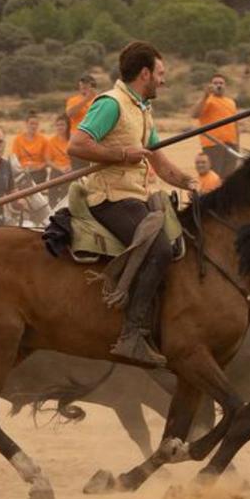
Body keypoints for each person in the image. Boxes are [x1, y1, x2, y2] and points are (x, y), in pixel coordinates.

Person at [67, 41, 198, 366]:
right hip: (109, 198)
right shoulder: (111, 104)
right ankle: (132, 334)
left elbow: (160, 163)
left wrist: (189, 182)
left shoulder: (142, 109)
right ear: (145, 74)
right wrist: (121, 154)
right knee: (160, 249)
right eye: (161, 73)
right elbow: (77, 144)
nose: (164, 81)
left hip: (137, 196)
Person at [191, 72, 239, 177]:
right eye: (215, 83)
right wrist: (205, 96)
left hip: (231, 145)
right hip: (213, 145)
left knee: (229, 178)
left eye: (221, 83)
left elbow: (235, 124)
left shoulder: (231, 102)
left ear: (225, 86)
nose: (219, 85)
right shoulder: (207, 100)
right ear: (211, 85)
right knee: (214, 177)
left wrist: (237, 145)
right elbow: (194, 114)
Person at [11, 111, 49, 184]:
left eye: (36, 124)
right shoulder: (18, 140)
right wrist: (23, 168)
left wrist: (38, 167)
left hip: (38, 172)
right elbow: (14, 160)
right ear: (26, 124)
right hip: (22, 171)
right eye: (31, 123)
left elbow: (48, 161)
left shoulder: (44, 140)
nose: (34, 126)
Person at [44, 113, 72, 205]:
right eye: (58, 125)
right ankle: (52, 208)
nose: (60, 127)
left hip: (71, 170)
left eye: (62, 124)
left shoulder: (72, 140)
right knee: (52, 187)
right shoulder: (51, 141)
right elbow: (48, 161)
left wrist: (70, 166)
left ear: (67, 126)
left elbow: (78, 158)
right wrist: (60, 168)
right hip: (57, 169)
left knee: (68, 189)